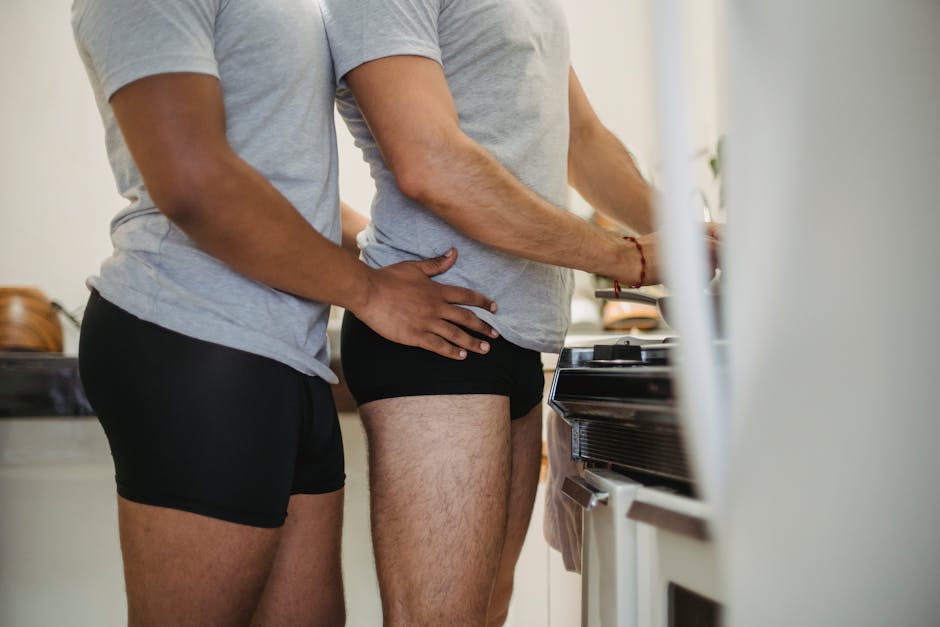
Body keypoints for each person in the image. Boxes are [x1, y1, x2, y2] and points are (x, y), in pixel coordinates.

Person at [71, 0, 499, 624]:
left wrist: (388, 258)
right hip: (194, 329)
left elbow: (286, 179)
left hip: (289, 347)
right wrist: (372, 292)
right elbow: (194, 181)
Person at [320, 0, 720, 624]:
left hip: (519, 330)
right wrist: (626, 257)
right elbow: (429, 162)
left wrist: (694, 238)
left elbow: (582, 139)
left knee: (487, 611)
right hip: (438, 325)